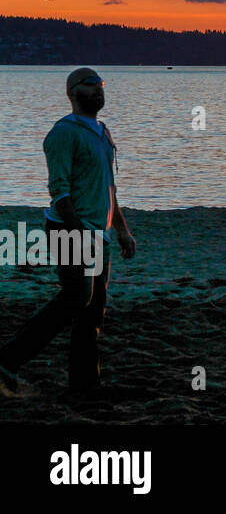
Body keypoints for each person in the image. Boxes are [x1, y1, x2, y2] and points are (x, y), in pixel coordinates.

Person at [0, 68, 137, 398]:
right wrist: (79, 233)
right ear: (73, 93)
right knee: (77, 297)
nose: (98, 90)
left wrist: (121, 231)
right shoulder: (64, 133)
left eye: (101, 85)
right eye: (90, 86)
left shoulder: (103, 132)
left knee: (93, 311)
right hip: (69, 229)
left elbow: (109, 189)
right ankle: (7, 360)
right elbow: (59, 191)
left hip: (98, 234)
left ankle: (85, 384)